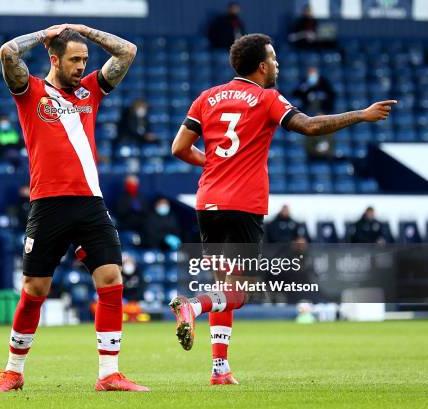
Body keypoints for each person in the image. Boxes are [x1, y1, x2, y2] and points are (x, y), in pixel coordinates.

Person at [168, 33, 396, 385]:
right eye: (274, 59)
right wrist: (361, 115)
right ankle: (194, 305)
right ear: (261, 66)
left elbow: (179, 148)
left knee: (223, 288)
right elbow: (308, 126)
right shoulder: (266, 98)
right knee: (240, 292)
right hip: (243, 205)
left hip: (207, 202)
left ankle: (219, 369)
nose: (277, 64)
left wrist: (214, 166)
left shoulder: (207, 97)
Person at [0, 25, 148, 393]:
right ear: (54, 59)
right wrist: (47, 32)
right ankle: (13, 371)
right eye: (74, 60)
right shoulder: (31, 92)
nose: (81, 66)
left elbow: (127, 52)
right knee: (35, 288)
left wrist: (86, 33)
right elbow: (8, 53)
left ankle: (109, 374)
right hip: (48, 205)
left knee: (111, 279)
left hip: (91, 203)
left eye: (85, 60)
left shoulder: (90, 91)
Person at [294, 67, 336, 158]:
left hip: (324, 114)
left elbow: (331, 98)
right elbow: (295, 95)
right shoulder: (303, 84)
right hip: (308, 115)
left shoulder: (325, 84)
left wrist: (324, 112)